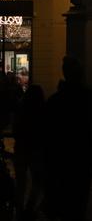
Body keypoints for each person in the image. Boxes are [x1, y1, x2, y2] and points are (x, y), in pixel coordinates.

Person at [43, 56, 92, 221]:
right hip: (83, 158)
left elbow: (47, 134)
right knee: (79, 202)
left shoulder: (54, 101)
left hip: (61, 159)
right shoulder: (90, 99)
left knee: (62, 201)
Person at [13, 84, 46, 221]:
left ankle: (19, 208)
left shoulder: (21, 109)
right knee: (38, 180)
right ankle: (30, 207)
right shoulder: (42, 111)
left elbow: (16, 129)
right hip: (36, 150)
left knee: (21, 181)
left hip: (21, 148)